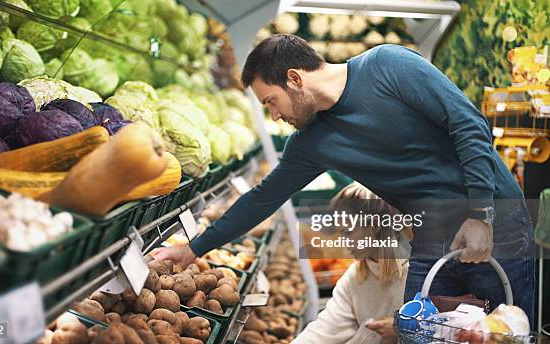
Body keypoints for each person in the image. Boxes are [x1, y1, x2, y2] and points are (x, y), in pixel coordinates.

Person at [154, 34, 535, 325]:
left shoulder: (388, 66)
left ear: (294, 79)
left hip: (494, 217)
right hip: (431, 233)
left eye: (271, 101)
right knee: (421, 329)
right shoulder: (311, 142)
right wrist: (194, 247)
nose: (274, 115)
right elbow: (263, 197)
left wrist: (481, 212)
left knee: (506, 327)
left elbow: (468, 124)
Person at [293, 182, 410, 344]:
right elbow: (325, 329)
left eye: (348, 232)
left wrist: (405, 330)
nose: (343, 242)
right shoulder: (355, 277)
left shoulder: (415, 274)